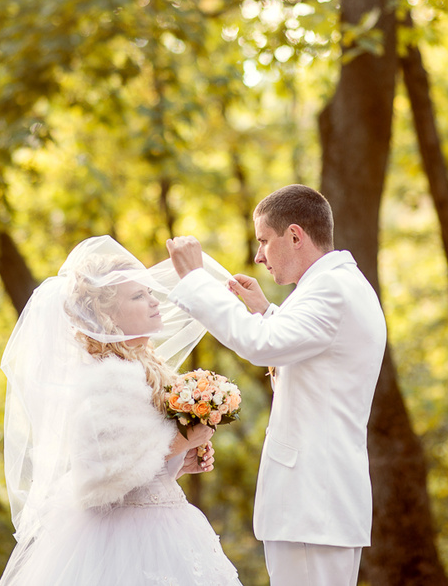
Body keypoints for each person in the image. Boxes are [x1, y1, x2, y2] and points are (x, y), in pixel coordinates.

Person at [165, 184, 386, 586]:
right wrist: (265, 310)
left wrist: (195, 281)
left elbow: (261, 345)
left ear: (296, 236)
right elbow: (308, 352)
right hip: (318, 506)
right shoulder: (336, 284)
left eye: (264, 241)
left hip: (310, 506)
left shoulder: (331, 289)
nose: (258, 255)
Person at [0, 235, 242, 586]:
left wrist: (178, 462)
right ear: (108, 315)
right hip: (127, 538)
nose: (155, 303)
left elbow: (136, 460)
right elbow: (103, 474)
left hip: (162, 520)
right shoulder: (107, 376)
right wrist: (183, 439)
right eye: (139, 296)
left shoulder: (144, 366)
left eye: (150, 293)